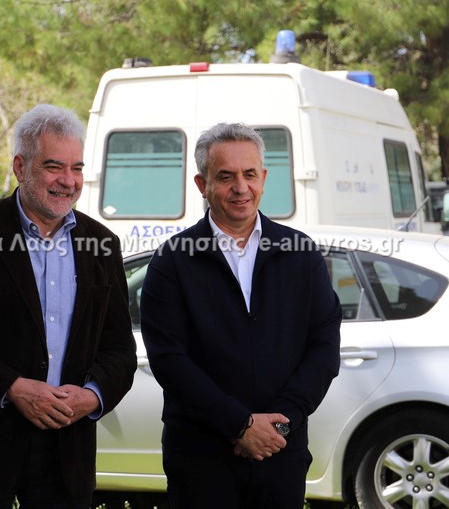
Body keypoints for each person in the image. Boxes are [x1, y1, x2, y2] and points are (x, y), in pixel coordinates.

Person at [0, 103, 137, 508]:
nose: (68, 181)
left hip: (66, 455)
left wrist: (93, 395)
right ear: (20, 167)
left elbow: (119, 348)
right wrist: (11, 388)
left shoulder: (102, 244)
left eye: (77, 168)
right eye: (54, 167)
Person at [140, 122, 342, 508]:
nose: (240, 187)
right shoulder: (172, 261)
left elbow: (324, 347)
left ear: (263, 179)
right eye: (225, 176)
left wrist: (279, 424)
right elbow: (169, 360)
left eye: (249, 174)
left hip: (280, 452)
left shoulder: (302, 254)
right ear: (202, 184)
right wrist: (240, 425)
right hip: (200, 459)